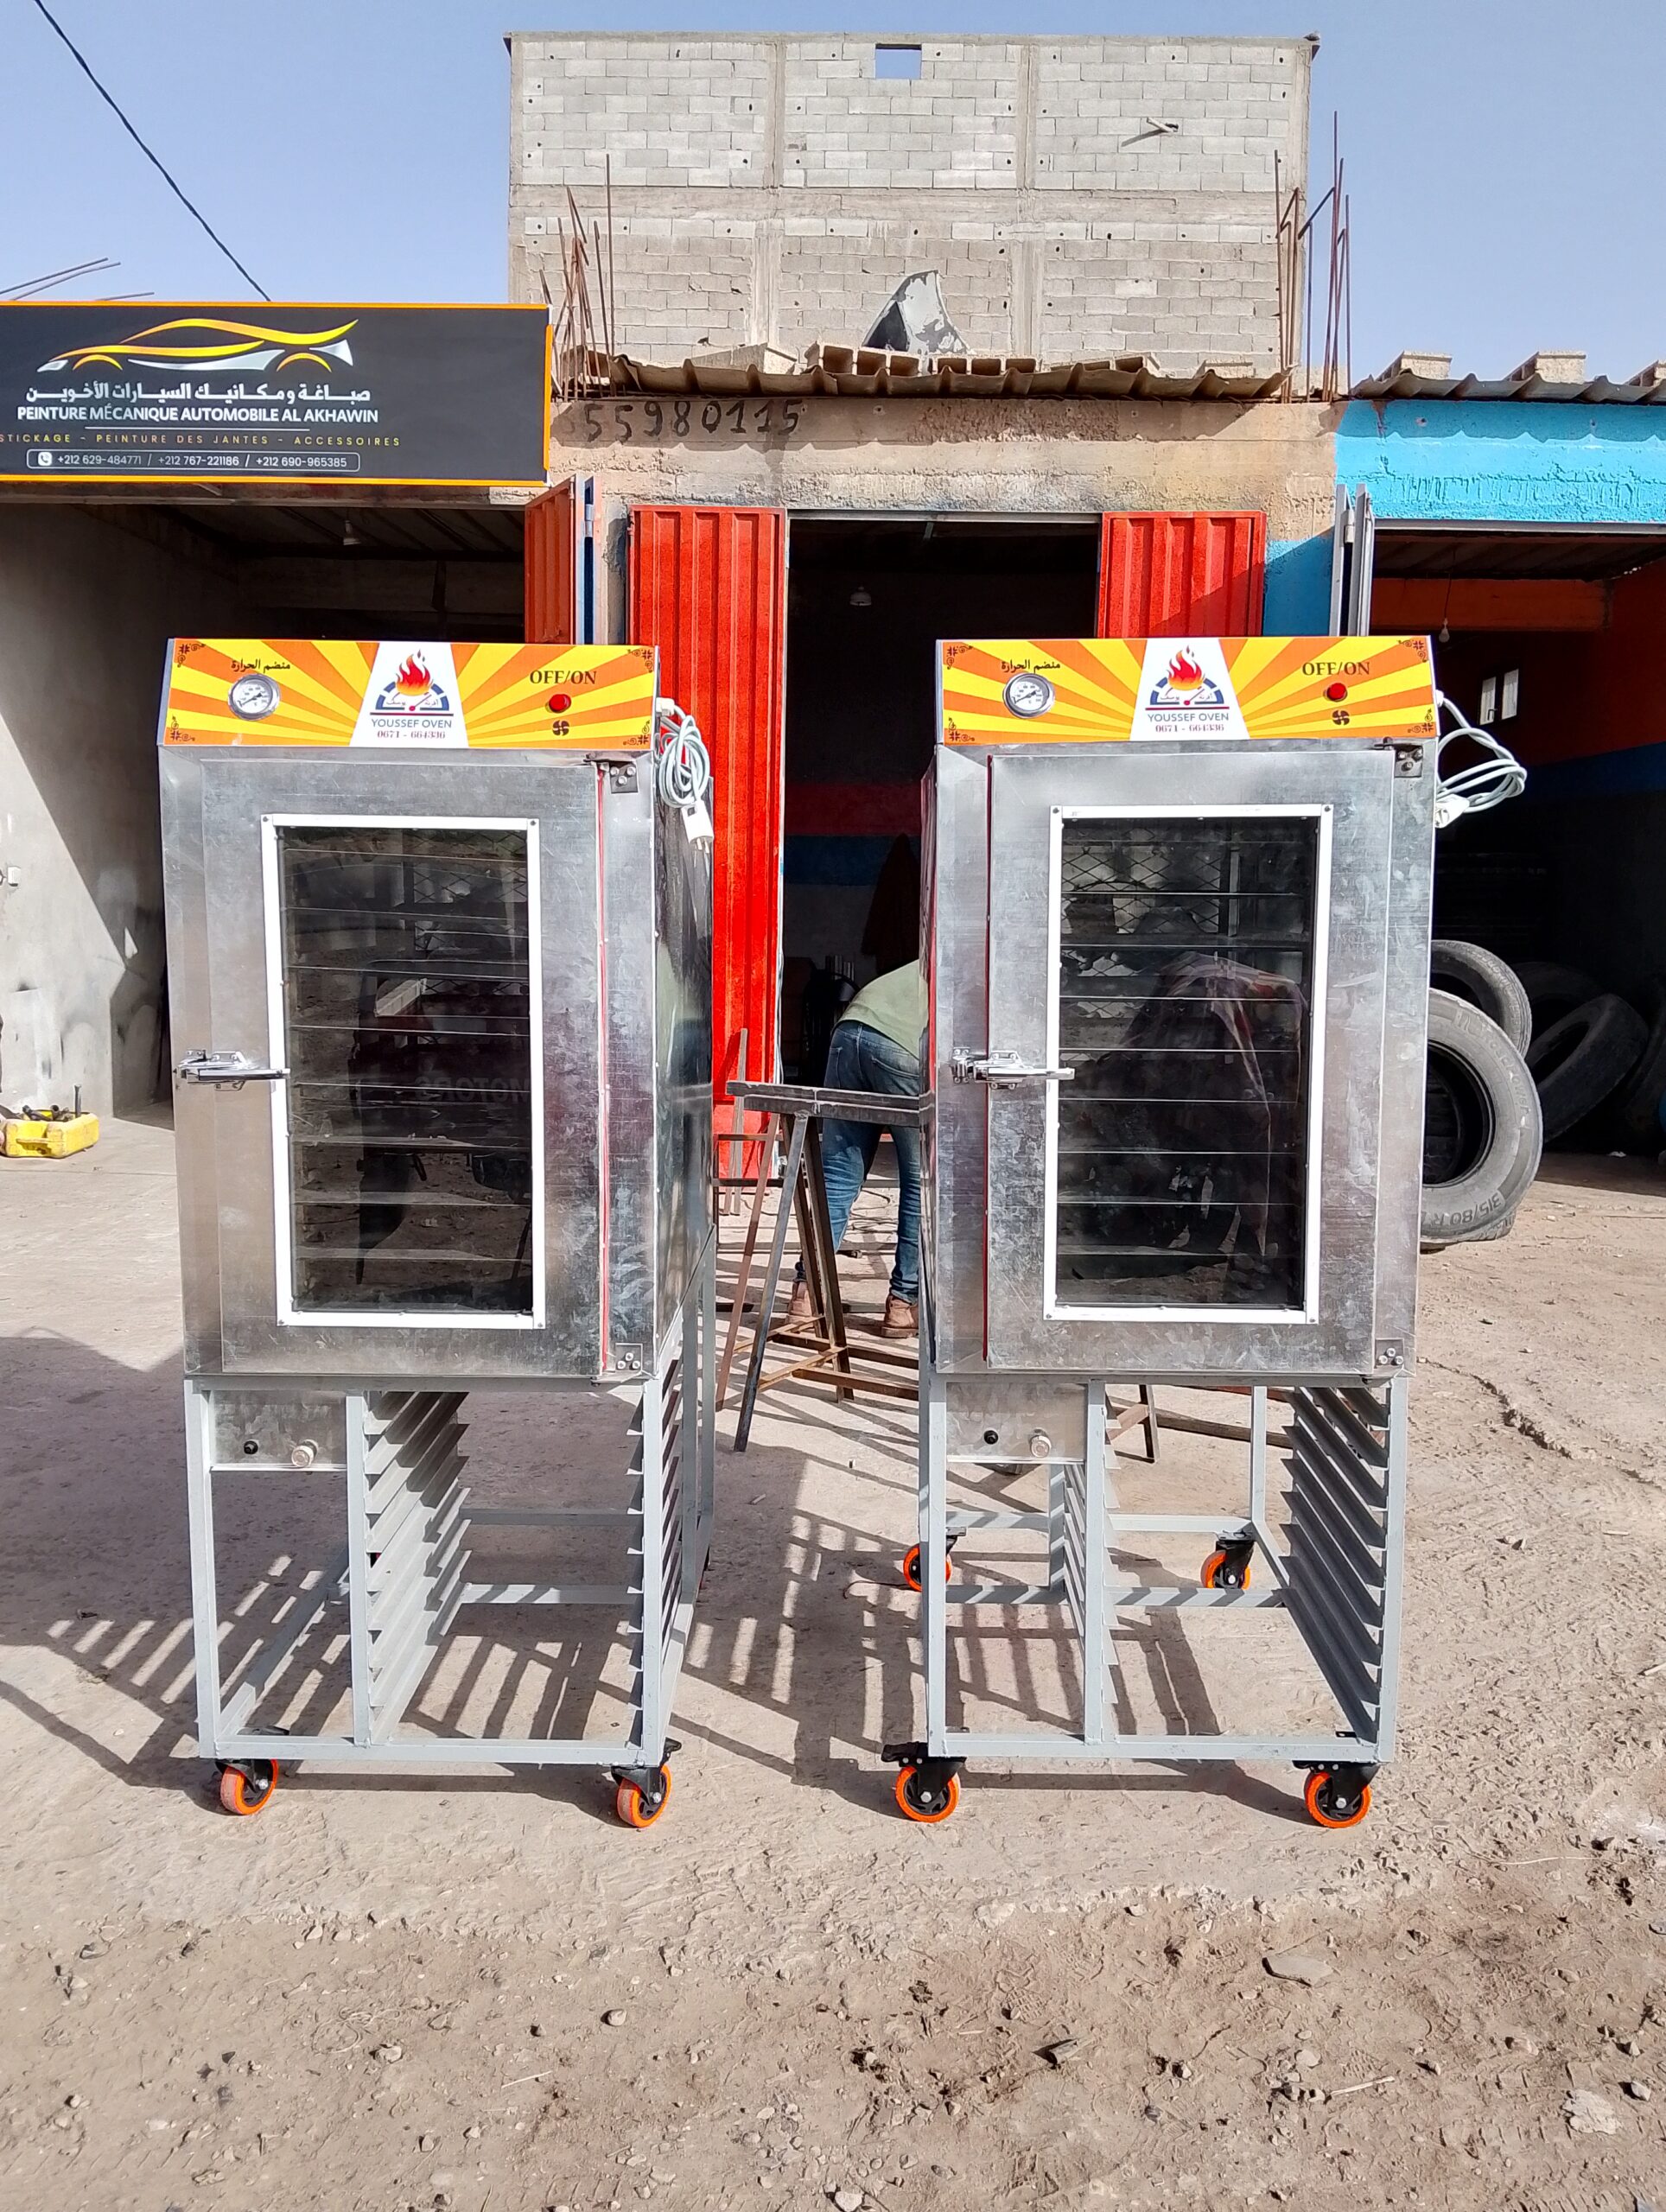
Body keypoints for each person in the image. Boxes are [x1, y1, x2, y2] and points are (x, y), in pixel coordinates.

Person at [790, 957, 925, 1338]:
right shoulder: (989, 965)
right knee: (921, 1180)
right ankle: (903, 1302)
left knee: (837, 1176)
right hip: (901, 1045)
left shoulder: (939, 953)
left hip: (850, 1032)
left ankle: (806, 1295)